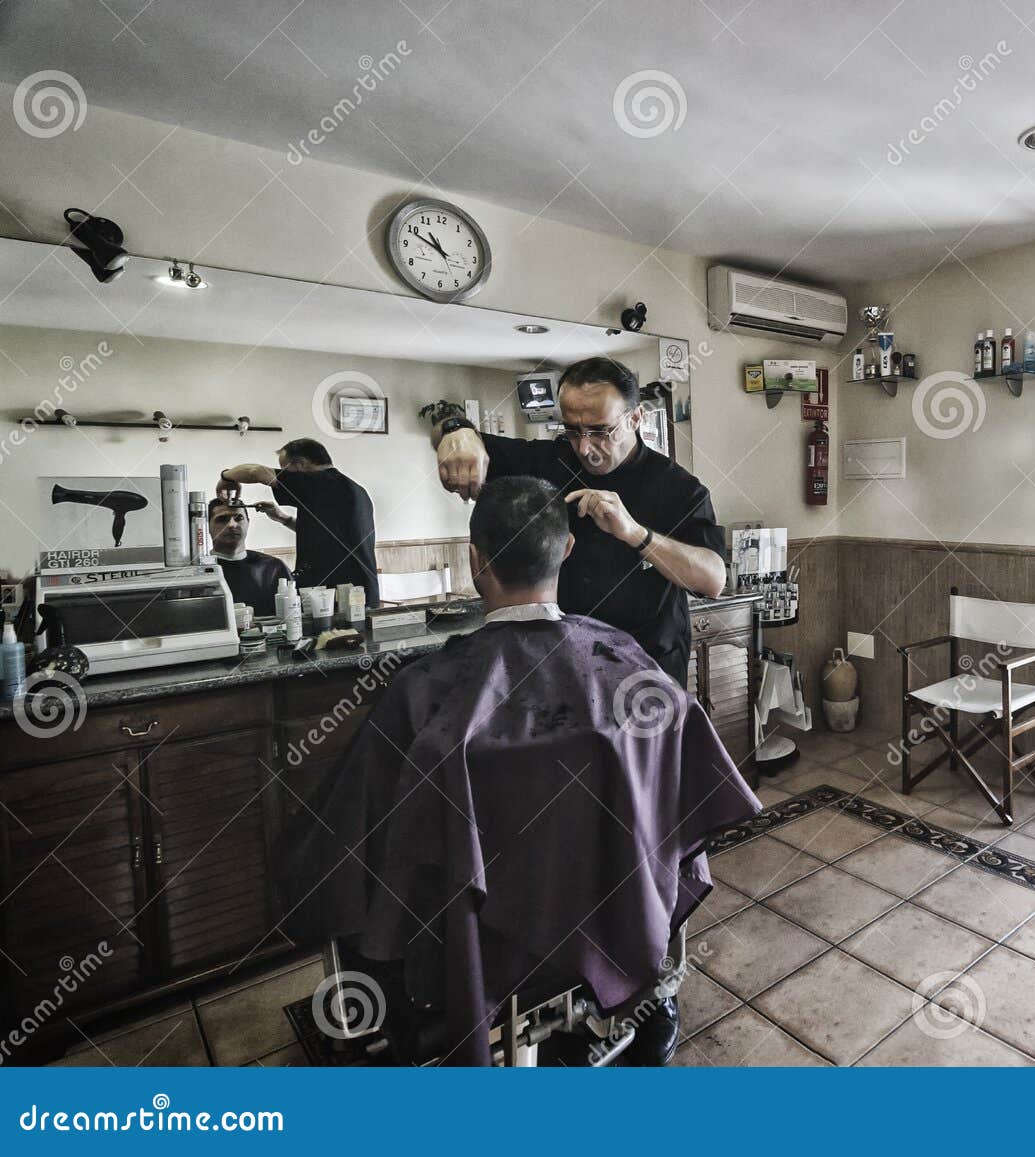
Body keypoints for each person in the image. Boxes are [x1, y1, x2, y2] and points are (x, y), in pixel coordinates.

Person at [273, 476, 759, 1066]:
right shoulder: (627, 662)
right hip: (610, 901)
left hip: (476, 938)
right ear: (569, 550)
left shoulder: (422, 691)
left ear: (475, 561)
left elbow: (352, 834)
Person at [432, 358, 724, 686]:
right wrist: (455, 433)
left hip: (647, 674)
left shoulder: (679, 489)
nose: (585, 447)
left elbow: (712, 580)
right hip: (567, 670)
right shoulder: (548, 461)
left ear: (636, 418)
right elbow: (452, 430)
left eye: (601, 431)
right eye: (572, 430)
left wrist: (636, 534)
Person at [218, 438, 379, 606]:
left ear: (301, 464)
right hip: (362, 589)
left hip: (337, 593)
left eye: (285, 469)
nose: (284, 475)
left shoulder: (318, 482)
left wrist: (226, 477)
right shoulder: (355, 490)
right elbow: (327, 532)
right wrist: (283, 519)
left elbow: (255, 472)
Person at [205, 499, 291, 618]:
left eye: (238, 518)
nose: (232, 525)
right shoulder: (200, 572)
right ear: (207, 526)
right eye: (222, 519)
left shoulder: (274, 567)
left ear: (248, 523)